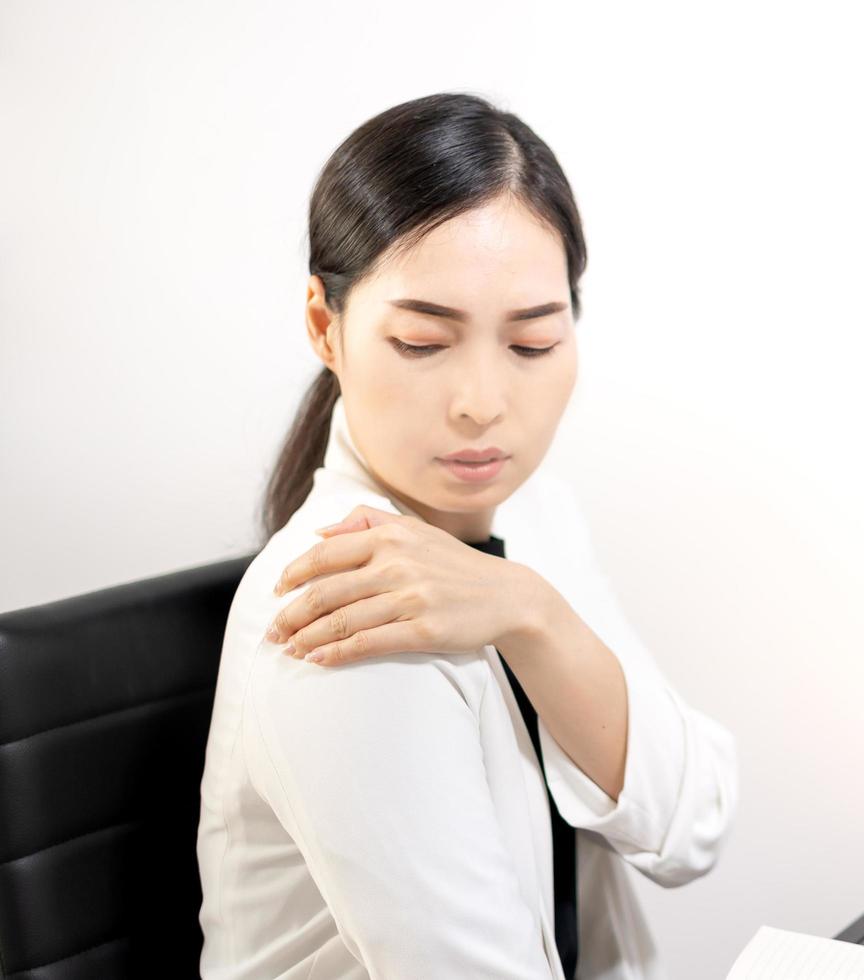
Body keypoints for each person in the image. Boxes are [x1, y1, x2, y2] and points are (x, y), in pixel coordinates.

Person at [195, 91, 739, 980]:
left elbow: (693, 820)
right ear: (324, 327)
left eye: (531, 344)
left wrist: (535, 614)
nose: (482, 402)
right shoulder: (340, 600)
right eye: (421, 342)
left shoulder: (535, 515)